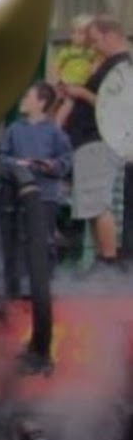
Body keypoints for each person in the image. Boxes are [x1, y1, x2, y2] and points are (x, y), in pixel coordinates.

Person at [62, 14, 132, 268]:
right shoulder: (107, 65)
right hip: (87, 139)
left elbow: (116, 107)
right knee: (91, 204)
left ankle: (109, 260)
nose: (93, 47)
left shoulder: (121, 68)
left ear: (110, 36)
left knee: (98, 203)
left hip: (97, 139)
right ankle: (103, 258)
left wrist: (81, 92)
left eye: (95, 40)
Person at [0, 81, 73, 266]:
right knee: (19, 240)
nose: (22, 100)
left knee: (43, 240)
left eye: (27, 96)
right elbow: (2, 158)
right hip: (18, 196)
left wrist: (52, 166)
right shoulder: (14, 130)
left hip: (45, 196)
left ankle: (47, 277)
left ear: (41, 102)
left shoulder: (55, 133)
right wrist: (16, 164)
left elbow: (66, 162)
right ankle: (20, 277)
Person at [50, 14, 99, 129]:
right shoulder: (67, 51)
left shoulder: (91, 52)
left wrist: (93, 69)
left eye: (81, 33)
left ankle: (58, 124)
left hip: (82, 84)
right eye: (73, 32)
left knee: (69, 104)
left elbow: (96, 63)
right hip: (67, 82)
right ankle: (53, 123)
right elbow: (56, 66)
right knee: (58, 100)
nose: (76, 36)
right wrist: (57, 81)